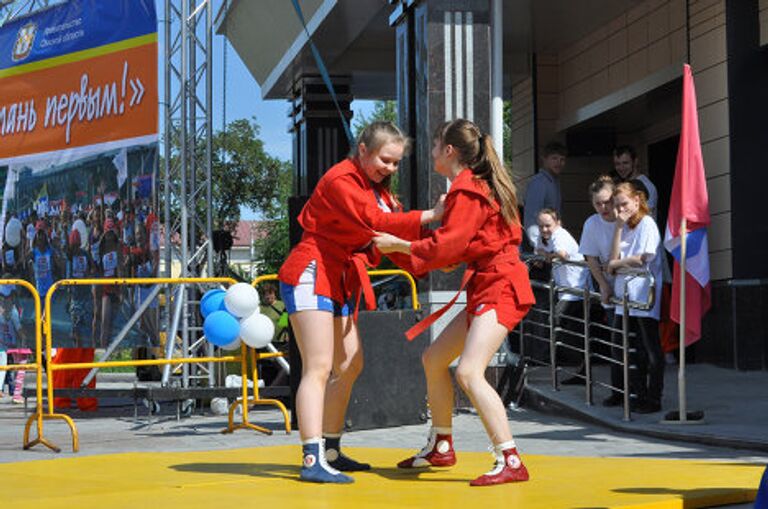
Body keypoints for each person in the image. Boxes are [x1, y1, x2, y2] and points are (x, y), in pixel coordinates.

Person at [277, 121, 443, 484]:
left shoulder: (378, 190)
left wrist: (437, 257)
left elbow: (389, 240)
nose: (391, 169)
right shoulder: (341, 180)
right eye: (386, 160)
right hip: (312, 269)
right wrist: (432, 215)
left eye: (397, 163)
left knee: (350, 364)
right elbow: (375, 223)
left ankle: (331, 449)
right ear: (363, 150)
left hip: (338, 276)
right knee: (318, 367)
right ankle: (311, 457)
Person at [373, 119, 535, 487]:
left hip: (499, 285)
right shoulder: (473, 189)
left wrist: (397, 244)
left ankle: (509, 458)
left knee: (468, 373)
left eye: (433, 146)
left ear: (449, 151)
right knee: (434, 360)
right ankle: (442, 444)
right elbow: (448, 252)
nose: (431, 153)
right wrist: (400, 248)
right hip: (488, 283)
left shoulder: (468, 191)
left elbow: (444, 248)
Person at [604, 182, 664, 414]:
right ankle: (638, 392)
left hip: (642, 294)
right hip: (625, 295)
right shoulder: (624, 227)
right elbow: (612, 256)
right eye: (617, 206)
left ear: (637, 201)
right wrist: (618, 227)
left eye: (625, 204)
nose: (621, 210)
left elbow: (642, 257)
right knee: (623, 347)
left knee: (649, 346)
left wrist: (616, 264)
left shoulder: (647, 224)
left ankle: (654, 395)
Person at [534, 208, 590, 379]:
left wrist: (546, 256)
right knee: (571, 329)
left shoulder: (560, 234)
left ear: (557, 223)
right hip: (566, 290)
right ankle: (582, 369)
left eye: (548, 225)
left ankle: (580, 364)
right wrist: (543, 255)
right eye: (541, 226)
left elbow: (562, 254)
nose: (544, 230)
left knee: (558, 322)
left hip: (576, 289)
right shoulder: (546, 237)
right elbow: (538, 255)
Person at [523, 141, 566, 248]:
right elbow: (531, 219)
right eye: (554, 158)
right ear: (544, 159)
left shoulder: (554, 182)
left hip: (553, 244)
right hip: (542, 249)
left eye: (562, 159)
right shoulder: (539, 182)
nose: (558, 163)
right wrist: (539, 248)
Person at [611, 145, 658, 219]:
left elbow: (647, 216)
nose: (621, 168)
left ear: (635, 162)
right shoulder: (621, 184)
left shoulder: (646, 185)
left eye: (625, 163)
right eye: (618, 164)